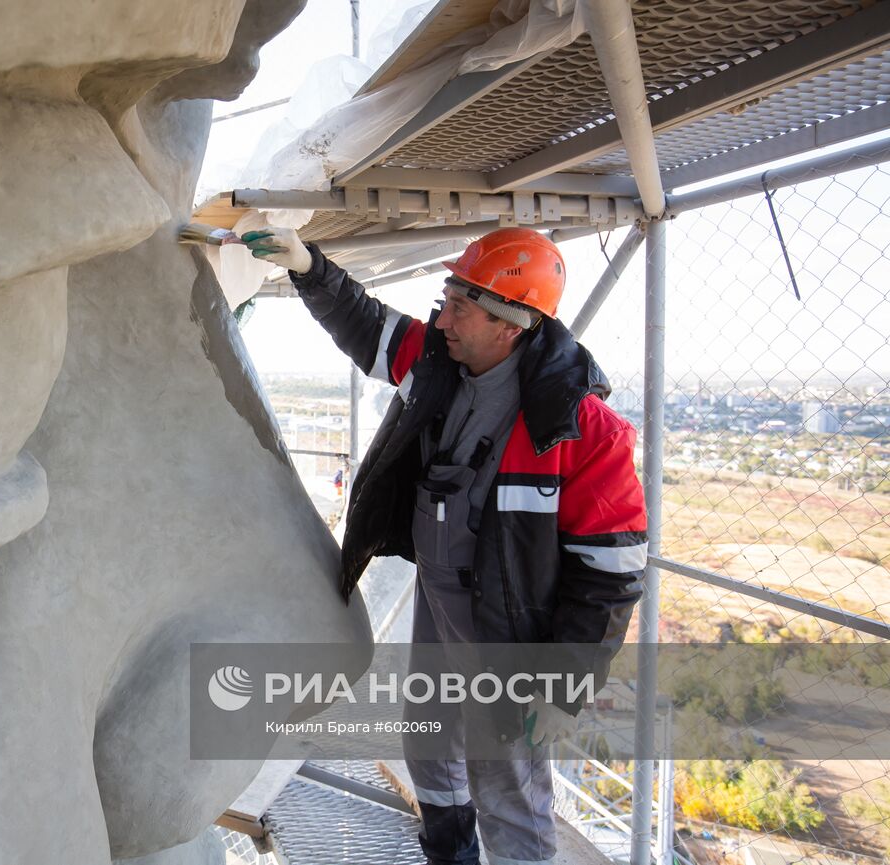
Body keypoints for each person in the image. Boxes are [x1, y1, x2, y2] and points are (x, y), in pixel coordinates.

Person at [242, 225, 647, 865]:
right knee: (429, 747)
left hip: (510, 637)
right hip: (441, 600)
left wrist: (562, 685)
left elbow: (611, 574)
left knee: (505, 787)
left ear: (511, 325)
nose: (443, 316)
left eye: (462, 304)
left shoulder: (583, 431)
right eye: (448, 295)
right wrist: (307, 265)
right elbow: (370, 328)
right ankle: (448, 854)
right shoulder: (443, 364)